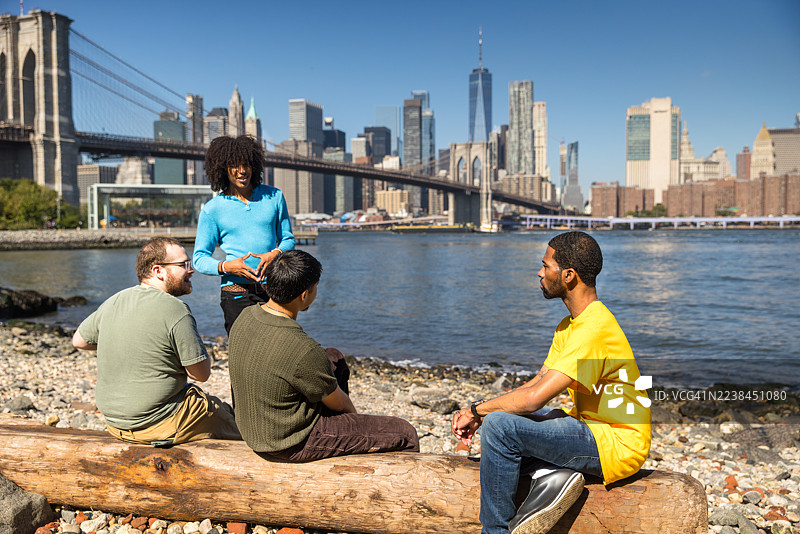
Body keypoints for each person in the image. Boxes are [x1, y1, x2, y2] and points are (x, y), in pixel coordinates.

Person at [452, 231, 651, 534]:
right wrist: (488, 411)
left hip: (617, 442)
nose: (540, 272)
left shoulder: (593, 329)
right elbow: (535, 385)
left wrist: (479, 411)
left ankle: (495, 531)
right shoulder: (570, 325)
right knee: (516, 423)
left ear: (568, 275)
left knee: (500, 428)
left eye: (546, 266)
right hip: (591, 429)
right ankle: (552, 475)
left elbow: (535, 398)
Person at [228, 249, 420, 461]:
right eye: (315, 288)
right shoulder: (302, 348)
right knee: (404, 433)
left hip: (254, 429)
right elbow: (342, 405)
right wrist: (358, 429)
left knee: (334, 356)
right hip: (288, 441)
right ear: (304, 295)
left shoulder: (245, 315)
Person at [72, 237, 241, 446]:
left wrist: (127, 342)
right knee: (233, 424)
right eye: (183, 265)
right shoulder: (175, 309)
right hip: (160, 421)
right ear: (158, 271)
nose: (191, 270)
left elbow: (79, 340)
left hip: (116, 423)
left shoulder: (116, 300)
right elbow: (201, 374)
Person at [193, 135, 295, 335]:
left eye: (246, 164)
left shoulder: (274, 197)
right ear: (222, 168)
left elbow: (288, 239)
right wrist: (225, 266)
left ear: (254, 165)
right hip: (235, 293)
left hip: (274, 289)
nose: (241, 170)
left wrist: (273, 254)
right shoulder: (212, 210)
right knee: (244, 353)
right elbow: (199, 258)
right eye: (234, 165)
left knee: (278, 349)